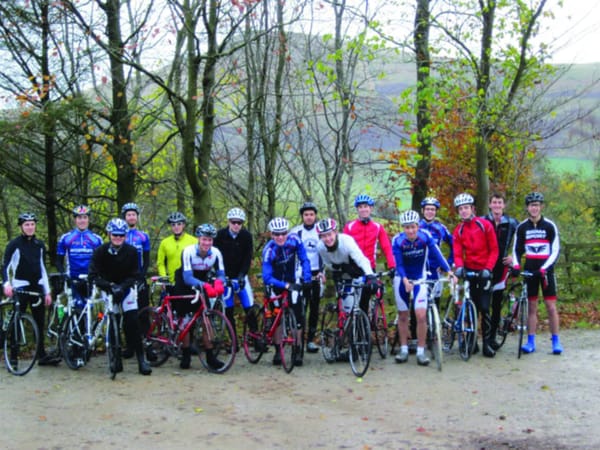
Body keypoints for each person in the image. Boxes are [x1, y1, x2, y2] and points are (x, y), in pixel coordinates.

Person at [88, 218, 152, 375]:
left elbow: (135, 274)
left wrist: (122, 287)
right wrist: (109, 286)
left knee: (132, 323)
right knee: (112, 320)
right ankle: (116, 358)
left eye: (121, 235)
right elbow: (93, 275)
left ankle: (141, 360)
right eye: (115, 235)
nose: (118, 238)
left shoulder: (131, 251)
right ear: (109, 234)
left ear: (125, 236)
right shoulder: (100, 251)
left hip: (126, 289)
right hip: (108, 288)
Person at [392, 210, 455, 366]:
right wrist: (405, 280)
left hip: (420, 278)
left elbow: (437, 254)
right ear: (403, 228)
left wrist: (449, 271)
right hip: (402, 279)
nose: (410, 231)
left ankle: (421, 351)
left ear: (417, 226)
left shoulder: (425, 236)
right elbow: (399, 264)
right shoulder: (398, 241)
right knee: (403, 315)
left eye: (413, 227)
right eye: (407, 228)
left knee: (421, 315)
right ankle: (404, 349)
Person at [2, 212, 56, 365]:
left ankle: (41, 355)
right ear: (21, 227)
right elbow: (5, 266)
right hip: (20, 286)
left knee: (39, 321)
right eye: (27, 224)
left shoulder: (40, 245)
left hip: (37, 286)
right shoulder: (14, 244)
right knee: (16, 320)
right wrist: (7, 284)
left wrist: (47, 291)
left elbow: (42, 268)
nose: (30, 227)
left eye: (32, 224)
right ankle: (13, 356)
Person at [512, 192, 563, 355]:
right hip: (529, 270)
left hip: (545, 271)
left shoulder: (549, 226)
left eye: (537, 205)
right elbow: (516, 249)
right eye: (531, 205)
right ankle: (530, 341)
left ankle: (556, 341)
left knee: (550, 307)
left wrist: (545, 268)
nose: (534, 208)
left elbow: (555, 250)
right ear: (527, 207)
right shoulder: (522, 227)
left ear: (541, 207)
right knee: (532, 307)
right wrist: (516, 265)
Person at [452, 193, 499, 358]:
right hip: (469, 272)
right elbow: (457, 252)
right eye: (460, 209)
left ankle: (487, 343)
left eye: (466, 208)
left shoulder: (484, 225)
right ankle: (472, 341)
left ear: (472, 208)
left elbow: (494, 249)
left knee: (485, 308)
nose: (463, 211)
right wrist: (459, 267)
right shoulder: (459, 230)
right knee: (469, 308)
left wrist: (488, 268)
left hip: (484, 271)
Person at [174, 223, 226, 370]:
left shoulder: (216, 253)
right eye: (204, 239)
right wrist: (205, 285)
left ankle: (210, 356)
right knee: (185, 319)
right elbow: (187, 277)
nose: (207, 243)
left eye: (210, 240)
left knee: (206, 318)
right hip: (185, 281)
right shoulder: (188, 251)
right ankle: (185, 354)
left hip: (203, 279)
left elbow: (221, 273)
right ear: (198, 239)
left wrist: (219, 283)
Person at [261, 217, 311, 366]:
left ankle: (297, 349)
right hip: (275, 283)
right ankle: (278, 350)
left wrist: (307, 279)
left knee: (298, 317)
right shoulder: (269, 250)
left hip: (292, 280)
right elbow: (266, 277)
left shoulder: (295, 240)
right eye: (277, 234)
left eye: (283, 233)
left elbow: (304, 259)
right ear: (272, 235)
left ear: (287, 232)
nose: (280, 237)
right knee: (277, 316)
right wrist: (284, 286)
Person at [343, 194, 395, 313]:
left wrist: (392, 266)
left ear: (371, 208)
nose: (363, 209)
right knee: (348, 303)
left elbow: (387, 247)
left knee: (364, 302)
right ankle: (346, 325)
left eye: (366, 206)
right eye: (360, 207)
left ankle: (365, 327)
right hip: (353, 269)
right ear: (357, 209)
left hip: (369, 270)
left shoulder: (377, 227)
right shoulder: (349, 227)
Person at [481, 193, 519, 350]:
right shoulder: (482, 221)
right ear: (490, 205)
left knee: (496, 305)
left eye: (500, 203)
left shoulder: (512, 223)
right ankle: (483, 338)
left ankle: (492, 337)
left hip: (501, 267)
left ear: (504, 205)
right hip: (485, 267)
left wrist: (513, 257)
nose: (497, 205)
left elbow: (520, 243)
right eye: (494, 203)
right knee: (483, 305)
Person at [214, 208, 255, 345]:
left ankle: (255, 338)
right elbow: (216, 256)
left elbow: (248, 258)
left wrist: (242, 275)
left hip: (240, 275)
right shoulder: (220, 235)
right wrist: (221, 276)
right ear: (229, 222)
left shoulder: (246, 236)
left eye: (239, 223)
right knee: (228, 309)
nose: (236, 225)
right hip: (225, 276)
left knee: (249, 307)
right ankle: (234, 341)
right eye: (233, 222)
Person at [316, 217, 375, 311]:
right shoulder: (320, 247)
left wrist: (370, 274)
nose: (327, 239)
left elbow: (361, 259)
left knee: (360, 303)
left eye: (329, 234)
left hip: (356, 270)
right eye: (324, 236)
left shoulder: (346, 241)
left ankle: (364, 320)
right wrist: (336, 268)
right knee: (346, 307)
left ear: (335, 232)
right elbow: (326, 262)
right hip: (341, 273)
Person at [290, 202, 323, 353]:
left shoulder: (320, 231)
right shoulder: (296, 232)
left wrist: (323, 272)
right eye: (306, 215)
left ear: (315, 216)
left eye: (311, 214)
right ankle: (298, 340)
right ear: (302, 216)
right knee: (301, 308)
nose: (309, 217)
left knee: (314, 308)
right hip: (301, 274)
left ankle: (310, 339)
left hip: (317, 273)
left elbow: (324, 252)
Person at [56, 205, 103, 308]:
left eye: (85, 217)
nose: (82, 221)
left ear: (88, 219)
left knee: (90, 311)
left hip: (90, 280)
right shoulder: (66, 238)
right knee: (77, 309)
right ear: (75, 220)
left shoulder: (96, 239)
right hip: (73, 280)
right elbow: (58, 260)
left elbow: (102, 261)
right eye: (79, 217)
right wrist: (63, 274)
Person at [121, 202, 151, 358]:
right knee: (128, 315)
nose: (131, 217)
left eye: (133, 214)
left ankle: (147, 342)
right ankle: (130, 346)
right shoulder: (120, 234)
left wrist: (142, 276)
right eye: (128, 215)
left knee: (143, 313)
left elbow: (146, 260)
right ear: (124, 217)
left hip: (139, 279)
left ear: (137, 217)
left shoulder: (143, 236)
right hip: (125, 279)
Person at [156, 212, 197, 285]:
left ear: (183, 225)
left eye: (179, 224)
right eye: (173, 225)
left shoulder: (193, 241)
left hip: (190, 281)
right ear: (170, 226)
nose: (176, 227)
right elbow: (160, 263)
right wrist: (164, 277)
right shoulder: (164, 243)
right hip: (172, 282)